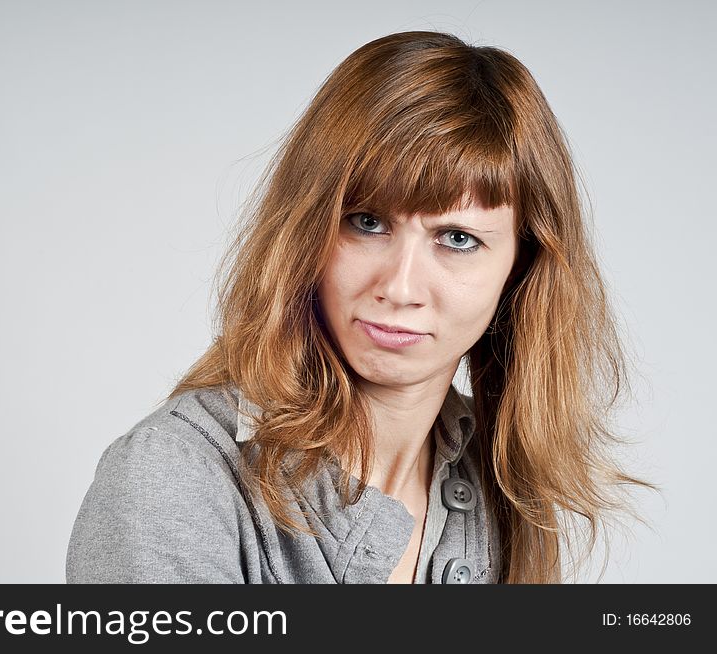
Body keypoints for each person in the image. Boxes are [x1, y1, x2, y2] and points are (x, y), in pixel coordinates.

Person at [65, 30, 656, 584]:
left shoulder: (502, 490)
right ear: (306, 231)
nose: (399, 287)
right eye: (367, 222)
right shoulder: (175, 477)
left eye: (457, 239)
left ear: (521, 269)